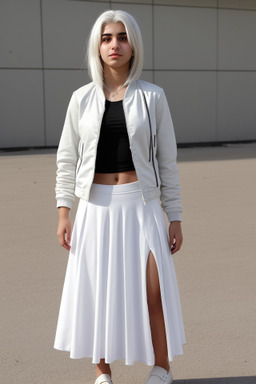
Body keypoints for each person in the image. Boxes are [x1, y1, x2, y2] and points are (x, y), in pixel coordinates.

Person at [54, 9, 185, 384]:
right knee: (100, 293)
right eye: (107, 37)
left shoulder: (153, 97)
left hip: (141, 206)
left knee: (153, 292)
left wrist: (173, 215)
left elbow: (168, 162)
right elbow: (67, 158)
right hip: (95, 207)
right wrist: (64, 211)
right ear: (97, 45)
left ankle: (162, 367)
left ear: (134, 45)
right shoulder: (80, 99)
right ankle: (102, 370)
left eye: (123, 37)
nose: (115, 44)